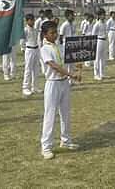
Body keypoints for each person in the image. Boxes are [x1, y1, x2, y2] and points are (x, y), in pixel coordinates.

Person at [40, 20, 80, 160]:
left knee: (65, 112)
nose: (55, 35)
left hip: (64, 83)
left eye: (56, 32)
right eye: (52, 33)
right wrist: (70, 75)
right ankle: (46, 147)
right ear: (45, 34)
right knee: (50, 115)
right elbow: (54, 66)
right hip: (52, 84)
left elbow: (69, 60)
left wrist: (76, 68)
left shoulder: (59, 46)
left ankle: (66, 140)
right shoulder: (44, 49)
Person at [21, 13, 41, 96]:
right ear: (27, 21)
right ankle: (25, 87)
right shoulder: (25, 30)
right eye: (31, 20)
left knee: (36, 69)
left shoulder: (35, 29)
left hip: (36, 49)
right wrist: (22, 48)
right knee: (28, 69)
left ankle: (35, 87)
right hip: (29, 49)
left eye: (33, 20)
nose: (33, 22)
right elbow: (22, 40)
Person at [59, 9, 77, 84]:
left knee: (72, 64)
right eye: (71, 15)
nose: (73, 17)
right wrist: (62, 47)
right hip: (66, 45)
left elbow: (73, 34)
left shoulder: (73, 24)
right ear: (68, 16)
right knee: (66, 64)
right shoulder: (64, 25)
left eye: (73, 15)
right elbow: (61, 36)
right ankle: (65, 79)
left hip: (72, 45)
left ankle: (71, 79)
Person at [92, 8, 108, 80]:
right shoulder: (97, 24)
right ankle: (96, 74)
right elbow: (93, 35)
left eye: (104, 14)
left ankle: (102, 73)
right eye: (102, 15)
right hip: (98, 41)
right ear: (99, 16)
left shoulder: (104, 23)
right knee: (97, 58)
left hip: (104, 40)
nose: (104, 16)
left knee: (103, 58)